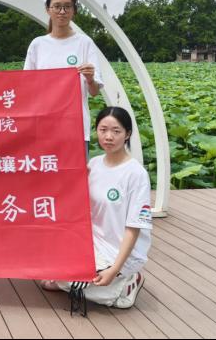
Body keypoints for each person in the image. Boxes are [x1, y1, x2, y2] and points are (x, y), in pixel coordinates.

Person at [42, 106, 151, 311]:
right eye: (103, 130)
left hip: (118, 250)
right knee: (47, 261)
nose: (108, 137)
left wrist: (114, 269)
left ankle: (127, 283)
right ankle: (73, 279)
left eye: (116, 131)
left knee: (75, 282)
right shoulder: (94, 164)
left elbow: (133, 228)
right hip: (93, 242)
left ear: (127, 134)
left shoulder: (136, 174)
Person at [24, 0, 103, 157]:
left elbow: (94, 91)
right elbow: (26, 87)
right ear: (48, 9)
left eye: (67, 6)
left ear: (74, 10)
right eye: (57, 6)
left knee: (76, 174)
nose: (62, 11)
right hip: (44, 127)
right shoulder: (37, 45)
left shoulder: (84, 43)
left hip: (75, 128)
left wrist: (90, 79)